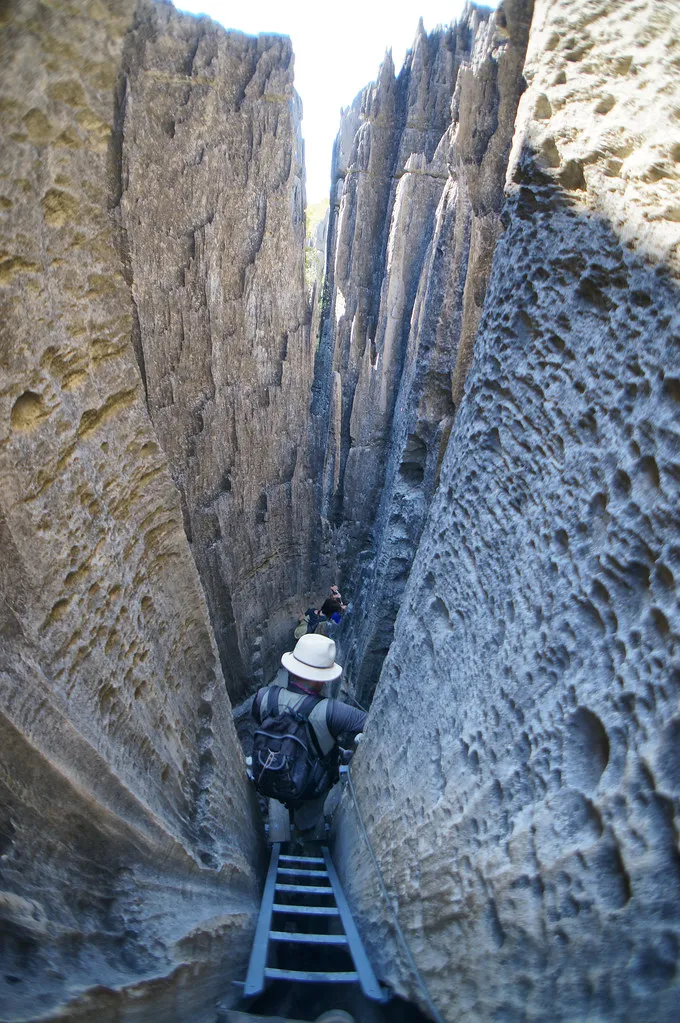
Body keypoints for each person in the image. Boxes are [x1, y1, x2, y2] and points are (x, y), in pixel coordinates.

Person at [252, 635, 366, 835]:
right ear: (323, 678)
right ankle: (306, 838)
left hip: (272, 772)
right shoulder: (333, 712)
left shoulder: (263, 697)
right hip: (310, 787)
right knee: (309, 823)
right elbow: (371, 723)